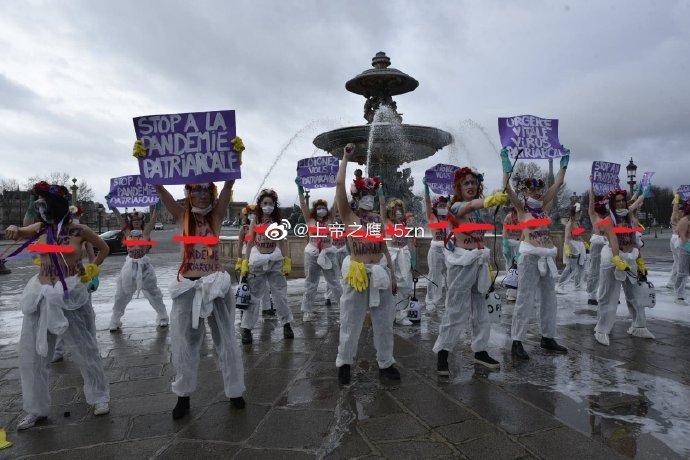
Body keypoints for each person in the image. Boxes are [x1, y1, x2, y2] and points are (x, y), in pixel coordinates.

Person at [150, 136, 246, 419]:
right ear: (189, 195)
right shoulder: (183, 217)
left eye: (206, 191)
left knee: (226, 339)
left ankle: (235, 389)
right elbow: (162, 193)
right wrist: (148, 168)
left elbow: (229, 187)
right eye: (196, 192)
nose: (202, 196)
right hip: (188, 286)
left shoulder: (215, 217)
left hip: (216, 285)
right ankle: (183, 395)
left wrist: (235, 158)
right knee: (184, 344)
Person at [5, 181, 111, 429]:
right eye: (39, 205)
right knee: (33, 355)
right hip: (40, 294)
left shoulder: (79, 230)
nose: (41, 209)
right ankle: (35, 408)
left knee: (85, 349)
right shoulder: (41, 228)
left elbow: (103, 247)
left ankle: (99, 397)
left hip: (70, 295)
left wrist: (93, 269)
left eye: (45, 204)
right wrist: (13, 228)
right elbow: (21, 232)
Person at [334, 143, 400, 385]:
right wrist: (345, 157)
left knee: (384, 323)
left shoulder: (376, 221)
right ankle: (344, 363)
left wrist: (392, 275)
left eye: (372, 196)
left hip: (380, 274)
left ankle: (386, 362)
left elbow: (384, 249)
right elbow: (339, 186)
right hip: (357, 275)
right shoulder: (349, 218)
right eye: (365, 195)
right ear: (357, 196)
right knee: (350, 322)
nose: (369, 199)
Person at [433, 166, 508, 375]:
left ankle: (480, 350)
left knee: (481, 309)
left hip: (478, 262)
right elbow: (473, 204)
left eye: (474, 183)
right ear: (458, 187)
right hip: (461, 264)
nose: (471, 186)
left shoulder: (476, 214)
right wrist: (489, 200)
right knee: (455, 309)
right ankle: (443, 353)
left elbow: (476, 208)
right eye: (466, 183)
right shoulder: (456, 207)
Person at [503, 148, 570, 360]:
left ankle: (547, 337)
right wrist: (505, 164)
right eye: (533, 190)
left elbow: (557, 184)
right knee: (525, 298)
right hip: (530, 257)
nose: (538, 193)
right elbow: (506, 188)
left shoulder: (544, 209)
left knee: (550, 299)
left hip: (547, 257)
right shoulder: (522, 212)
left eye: (540, 190)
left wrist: (563, 166)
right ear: (525, 193)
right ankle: (517, 341)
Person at [594, 188, 655, 344]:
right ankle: (602, 329)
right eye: (618, 201)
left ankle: (639, 326)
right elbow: (614, 240)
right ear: (613, 204)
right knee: (609, 297)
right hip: (613, 261)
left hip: (630, 258)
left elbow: (634, 240)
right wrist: (616, 258)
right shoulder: (608, 220)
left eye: (623, 200)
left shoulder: (630, 219)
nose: (621, 203)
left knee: (636, 295)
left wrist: (640, 260)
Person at [239, 188, 294, 344]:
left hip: (275, 261)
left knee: (280, 295)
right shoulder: (255, 220)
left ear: (274, 205)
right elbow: (250, 242)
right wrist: (245, 261)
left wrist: (286, 260)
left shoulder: (278, 222)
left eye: (270, 203)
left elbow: (282, 242)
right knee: (254, 297)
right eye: (265, 203)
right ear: (260, 204)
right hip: (257, 261)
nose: (267, 206)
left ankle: (287, 324)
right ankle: (247, 329)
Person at [107, 203, 169, 331]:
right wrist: (113, 207)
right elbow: (120, 219)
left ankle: (163, 317)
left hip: (144, 267)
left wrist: (157, 208)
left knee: (154, 294)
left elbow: (153, 220)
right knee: (121, 295)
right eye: (133, 220)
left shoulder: (145, 233)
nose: (136, 222)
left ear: (142, 221)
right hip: (129, 267)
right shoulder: (127, 232)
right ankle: (115, 320)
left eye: (138, 220)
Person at [295, 177, 342, 321]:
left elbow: (336, 202)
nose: (321, 210)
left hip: (328, 254)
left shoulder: (331, 219)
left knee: (334, 283)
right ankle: (307, 311)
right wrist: (300, 188)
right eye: (318, 208)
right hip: (312, 254)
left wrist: (338, 185)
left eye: (323, 207)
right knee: (310, 283)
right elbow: (303, 204)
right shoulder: (310, 220)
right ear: (315, 210)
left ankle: (344, 309)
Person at [379, 193, 416, 326]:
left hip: (404, 255)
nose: (399, 212)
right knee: (390, 284)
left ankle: (402, 314)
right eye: (396, 210)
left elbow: (409, 241)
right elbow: (382, 209)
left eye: (401, 210)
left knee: (406, 284)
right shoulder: (386, 221)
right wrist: (381, 198)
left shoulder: (403, 224)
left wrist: (413, 258)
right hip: (391, 255)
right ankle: (390, 314)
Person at [235, 205, 272, 318]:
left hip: (258, 257)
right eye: (250, 213)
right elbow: (240, 245)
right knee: (244, 282)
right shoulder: (244, 228)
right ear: (246, 215)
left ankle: (267, 308)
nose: (252, 214)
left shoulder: (261, 225)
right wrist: (239, 260)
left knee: (265, 284)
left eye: (254, 212)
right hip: (247, 257)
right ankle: (243, 304)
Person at [422, 178, 449, 313]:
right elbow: (427, 203)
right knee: (433, 275)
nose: (443, 208)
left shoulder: (450, 219)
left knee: (450, 276)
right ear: (436, 207)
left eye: (445, 206)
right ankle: (431, 301)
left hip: (449, 249)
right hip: (436, 250)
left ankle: (450, 300)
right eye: (441, 206)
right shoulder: (433, 217)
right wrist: (426, 189)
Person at [586, 178, 610, 306]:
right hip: (597, 242)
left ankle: (607, 293)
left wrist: (614, 185)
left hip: (607, 243)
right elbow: (591, 200)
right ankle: (592, 295)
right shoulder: (593, 215)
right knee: (594, 269)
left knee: (608, 269)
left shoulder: (608, 216)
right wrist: (591, 184)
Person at [556, 203, 586, 294]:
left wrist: (584, 242)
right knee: (571, 267)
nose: (580, 214)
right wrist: (568, 248)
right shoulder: (569, 224)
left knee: (581, 266)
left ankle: (578, 285)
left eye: (580, 212)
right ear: (573, 213)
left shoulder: (577, 223)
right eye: (578, 212)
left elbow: (578, 234)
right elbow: (567, 237)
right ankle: (559, 285)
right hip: (572, 245)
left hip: (578, 245)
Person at [326, 202, 348, 304]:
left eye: (339, 215)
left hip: (343, 251)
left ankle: (346, 294)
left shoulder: (345, 224)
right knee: (332, 275)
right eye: (336, 215)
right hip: (333, 252)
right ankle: (328, 296)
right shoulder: (329, 225)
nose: (337, 217)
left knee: (346, 274)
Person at [501, 204, 522, 301]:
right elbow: (505, 230)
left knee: (521, 268)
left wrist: (522, 245)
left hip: (521, 244)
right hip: (510, 243)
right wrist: (505, 245)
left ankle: (521, 291)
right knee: (511, 269)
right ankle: (511, 293)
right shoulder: (508, 217)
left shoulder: (524, 216)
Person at [666, 193, 683, 289]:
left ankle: (672, 282)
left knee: (677, 262)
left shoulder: (677, 217)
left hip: (675, 239)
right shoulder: (675, 217)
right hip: (677, 240)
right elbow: (675, 211)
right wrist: (676, 201)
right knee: (680, 262)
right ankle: (675, 282)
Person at [674, 203, 690, 304]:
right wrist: (688, 247)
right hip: (685, 247)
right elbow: (683, 235)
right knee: (682, 272)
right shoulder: (685, 220)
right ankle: (679, 294)